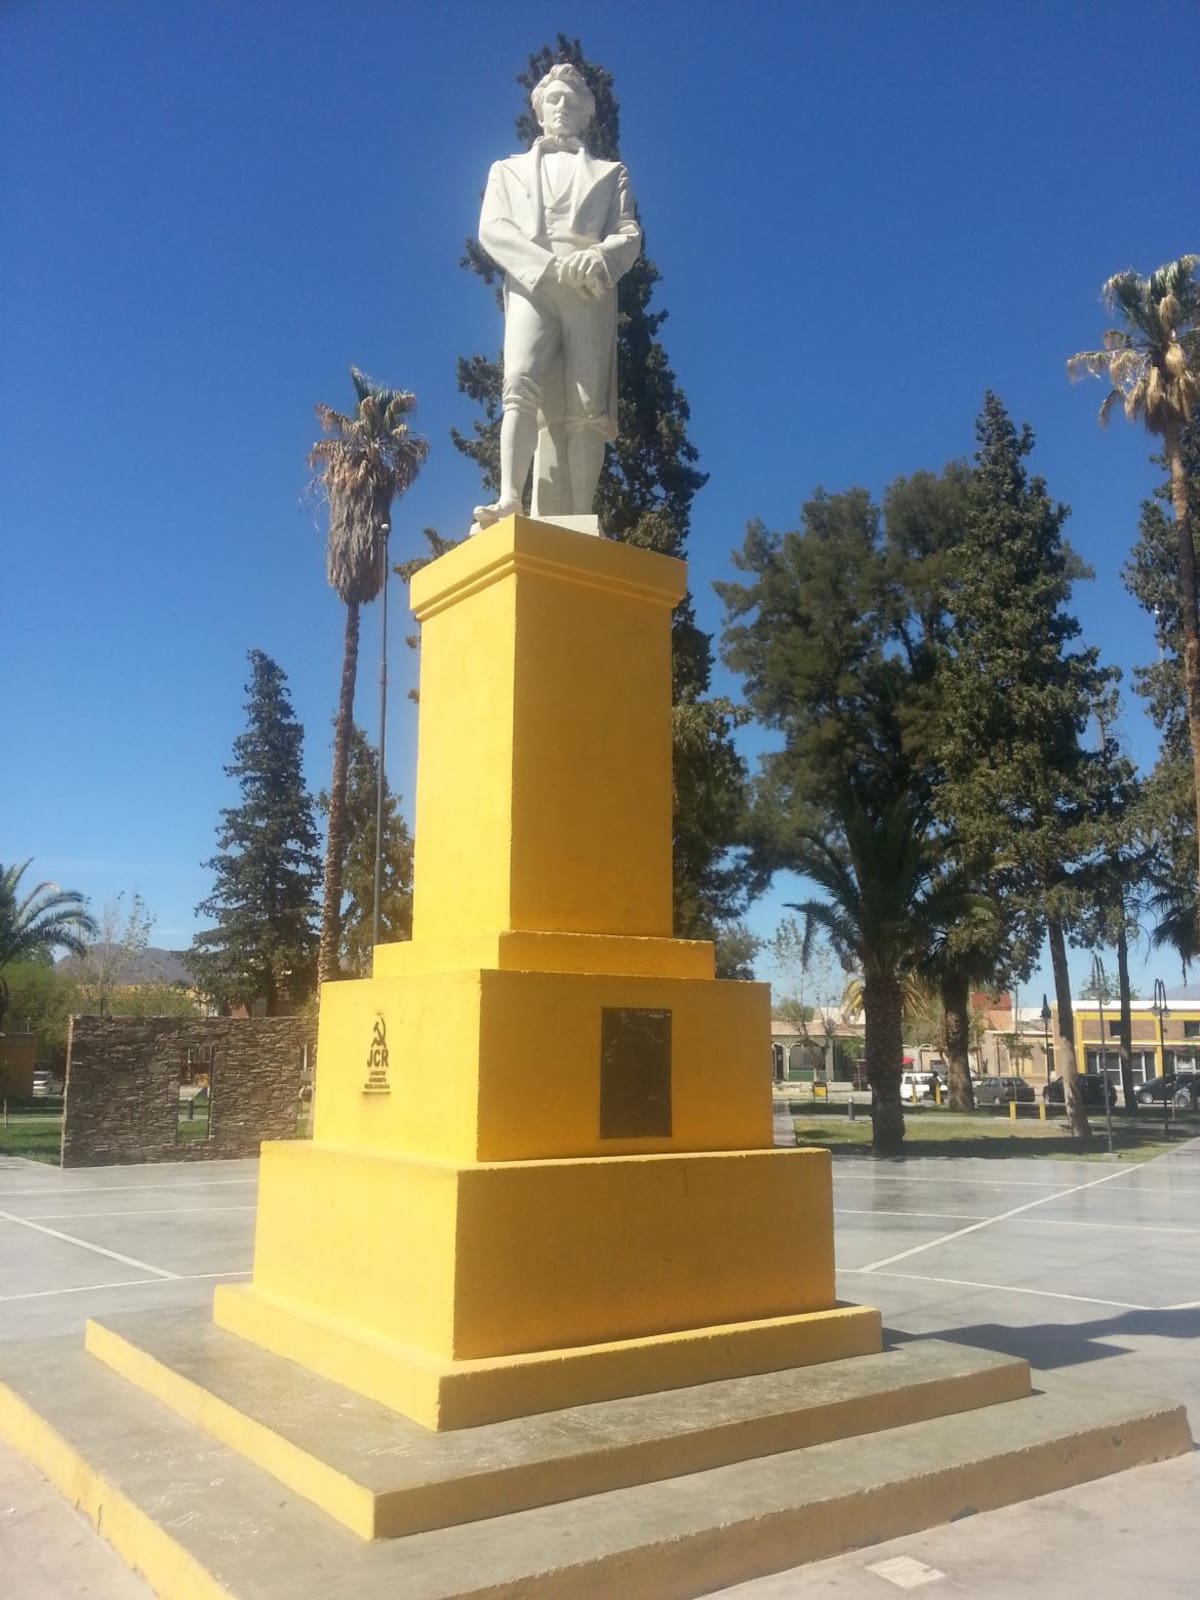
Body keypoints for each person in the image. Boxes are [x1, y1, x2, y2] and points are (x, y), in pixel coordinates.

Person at [471, 63, 642, 529]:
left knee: (587, 405)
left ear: (585, 114)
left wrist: (601, 257)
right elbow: (492, 229)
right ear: (540, 111)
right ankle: (509, 497)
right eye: (554, 99)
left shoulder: (611, 173)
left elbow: (628, 234)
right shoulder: (506, 170)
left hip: (589, 288)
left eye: (571, 101)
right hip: (533, 282)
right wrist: (545, 266)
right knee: (518, 384)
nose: (562, 107)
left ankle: (583, 514)